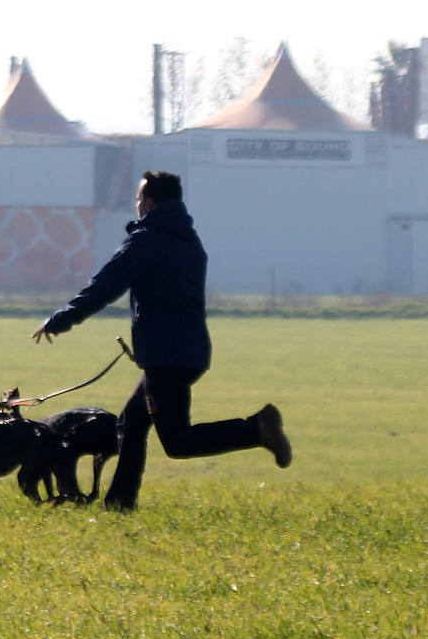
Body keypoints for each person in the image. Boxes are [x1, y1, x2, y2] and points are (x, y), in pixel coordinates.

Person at [31, 170, 291, 511]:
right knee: (131, 423)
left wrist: (60, 319)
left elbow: (105, 286)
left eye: (139, 200)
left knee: (177, 441)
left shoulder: (147, 238)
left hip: (166, 355)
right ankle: (120, 504)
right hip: (188, 350)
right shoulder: (188, 238)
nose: (137, 206)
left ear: (150, 202)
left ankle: (257, 429)